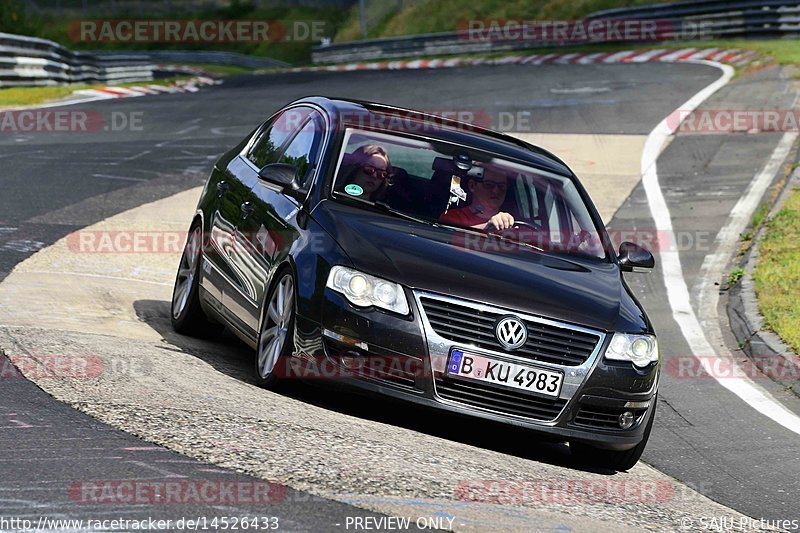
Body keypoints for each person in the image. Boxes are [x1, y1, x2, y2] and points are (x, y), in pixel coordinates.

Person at [439, 167, 515, 231]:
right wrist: (487, 226)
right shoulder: (453, 217)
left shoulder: (514, 223)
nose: (496, 191)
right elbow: (450, 237)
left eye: (502, 186)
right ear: (472, 186)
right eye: (488, 185)